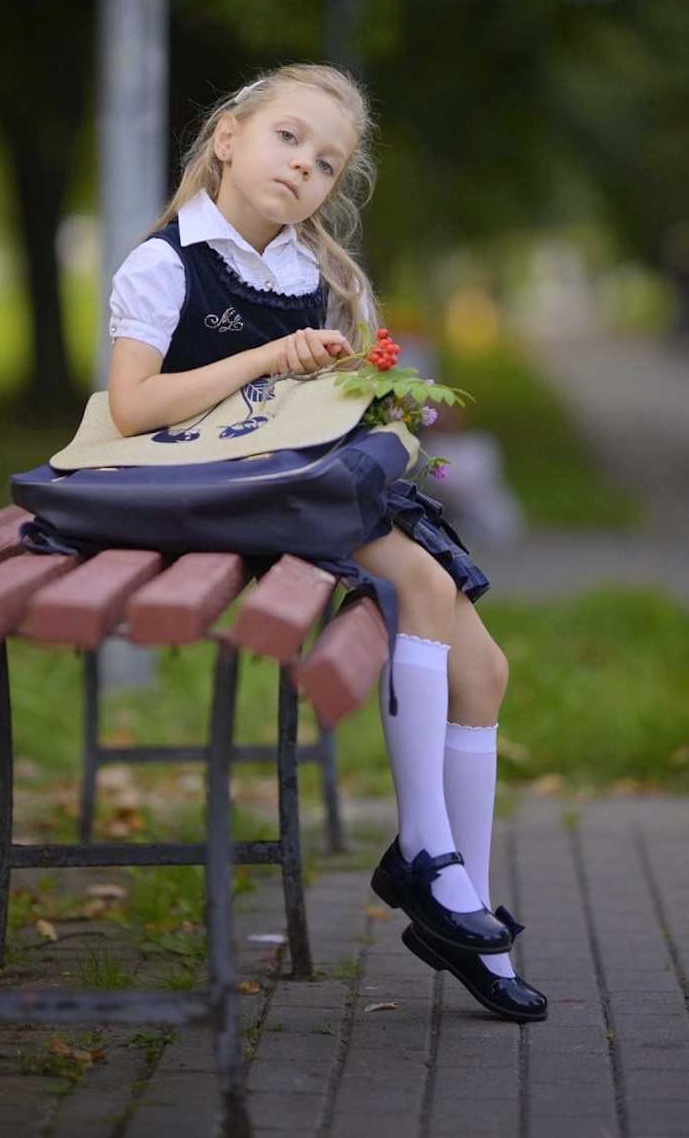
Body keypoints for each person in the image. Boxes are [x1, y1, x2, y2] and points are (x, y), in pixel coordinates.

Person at [108, 62, 547, 1024]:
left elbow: (313, 409)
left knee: (488, 673)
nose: (306, 167)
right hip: (232, 498)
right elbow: (134, 406)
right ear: (228, 136)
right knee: (425, 595)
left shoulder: (312, 271)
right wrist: (269, 356)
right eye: (289, 138)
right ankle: (426, 858)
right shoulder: (167, 262)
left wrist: (358, 385)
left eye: (328, 161)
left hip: (306, 484)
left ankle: (456, 906)